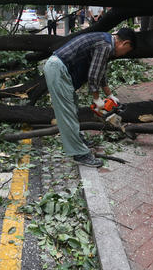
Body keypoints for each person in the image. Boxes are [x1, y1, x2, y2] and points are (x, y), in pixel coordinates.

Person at [44, 28, 136, 167]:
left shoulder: (104, 41)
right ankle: (79, 154)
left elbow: (101, 72)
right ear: (124, 43)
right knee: (67, 113)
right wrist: (96, 99)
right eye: (127, 50)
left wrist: (109, 95)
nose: (124, 53)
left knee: (72, 107)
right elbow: (93, 75)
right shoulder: (105, 45)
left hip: (60, 70)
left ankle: (77, 139)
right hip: (58, 69)